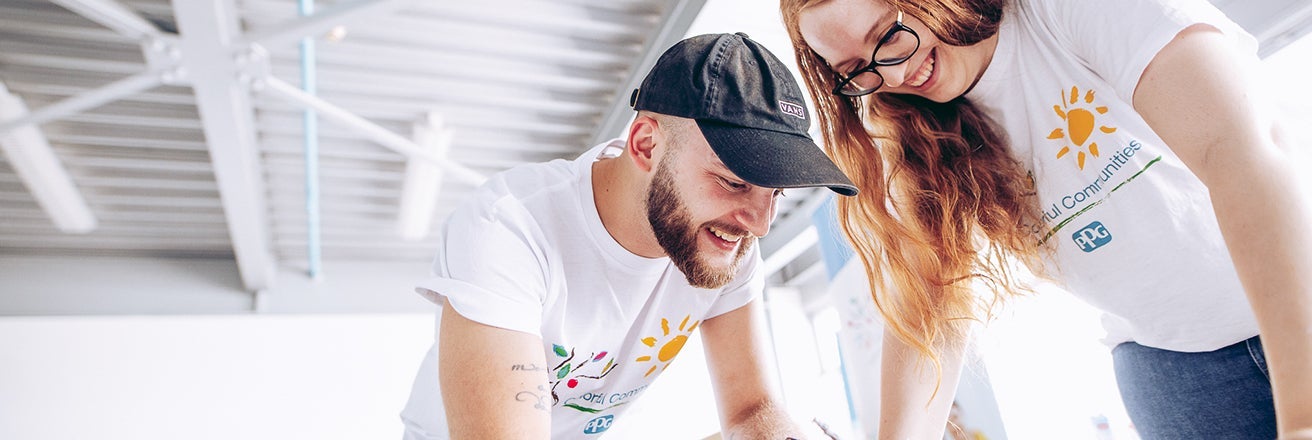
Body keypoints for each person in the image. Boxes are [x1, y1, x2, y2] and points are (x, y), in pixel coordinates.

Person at [778, 0, 1312, 438]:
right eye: (855, 71)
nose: (892, 73)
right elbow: (927, 311)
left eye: (890, 34)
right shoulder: (909, 131)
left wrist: (1301, 419)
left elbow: (1240, 154)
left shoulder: (1059, 13)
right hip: (1172, 367)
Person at [399, 32, 858, 439]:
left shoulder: (729, 239)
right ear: (646, 145)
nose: (758, 223)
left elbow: (750, 411)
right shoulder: (507, 227)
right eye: (734, 182)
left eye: (774, 192)